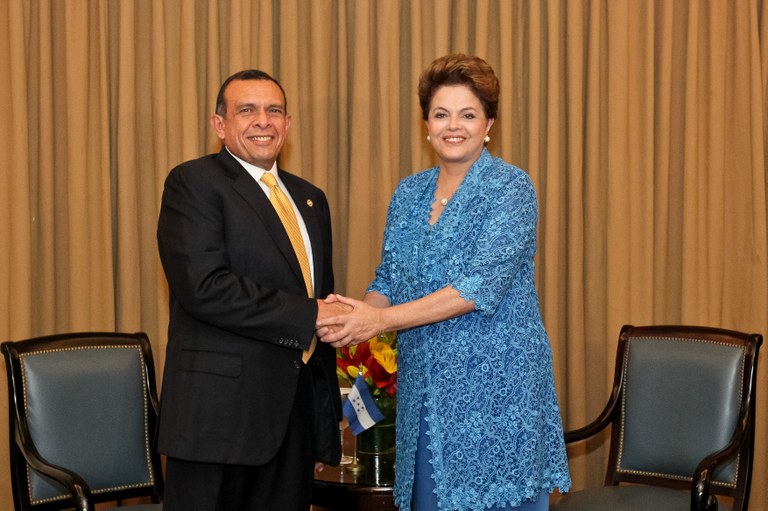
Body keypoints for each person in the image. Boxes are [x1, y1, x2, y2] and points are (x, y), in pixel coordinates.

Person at [316, 54, 572, 510]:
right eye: (441, 114)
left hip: (498, 389)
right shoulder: (408, 192)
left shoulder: (511, 188)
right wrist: (353, 316)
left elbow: (476, 287)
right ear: (426, 125)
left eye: (468, 114)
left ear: (488, 123)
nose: (454, 126)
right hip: (426, 392)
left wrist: (378, 320)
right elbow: (390, 278)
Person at [156, 69, 349, 511]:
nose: (263, 120)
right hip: (217, 424)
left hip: (291, 426)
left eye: (274, 110)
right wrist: (312, 315)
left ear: (288, 123)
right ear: (219, 124)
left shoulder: (310, 199)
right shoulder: (194, 183)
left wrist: (321, 427)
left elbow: (320, 305)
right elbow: (205, 287)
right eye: (247, 110)